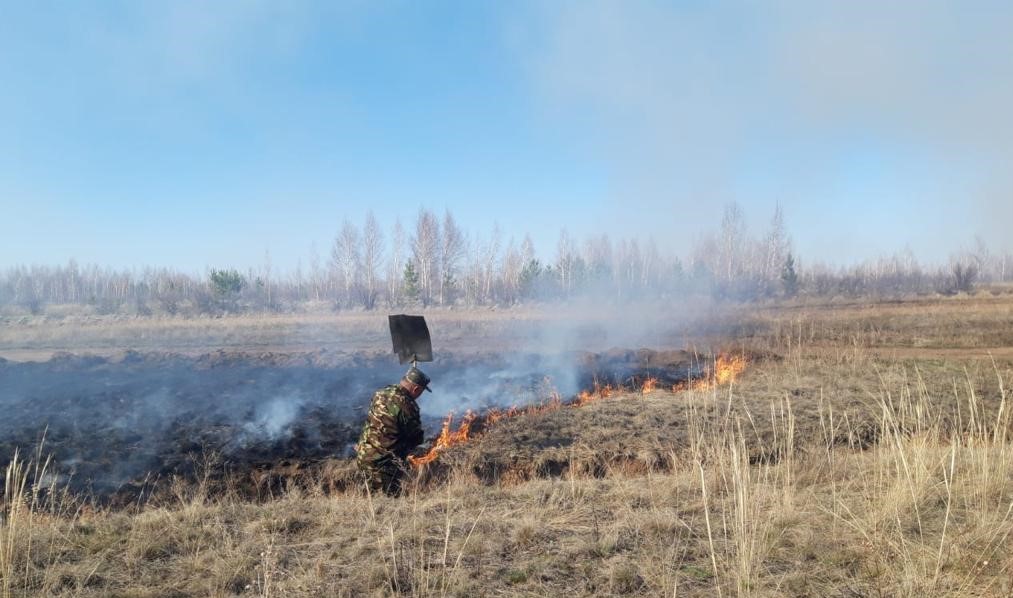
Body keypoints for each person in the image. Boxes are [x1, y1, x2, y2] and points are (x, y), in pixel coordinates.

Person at [355, 366, 430, 495]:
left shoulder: (381, 393)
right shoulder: (407, 405)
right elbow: (415, 438)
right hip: (384, 462)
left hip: (364, 454)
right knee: (389, 502)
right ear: (416, 389)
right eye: (421, 391)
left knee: (368, 497)